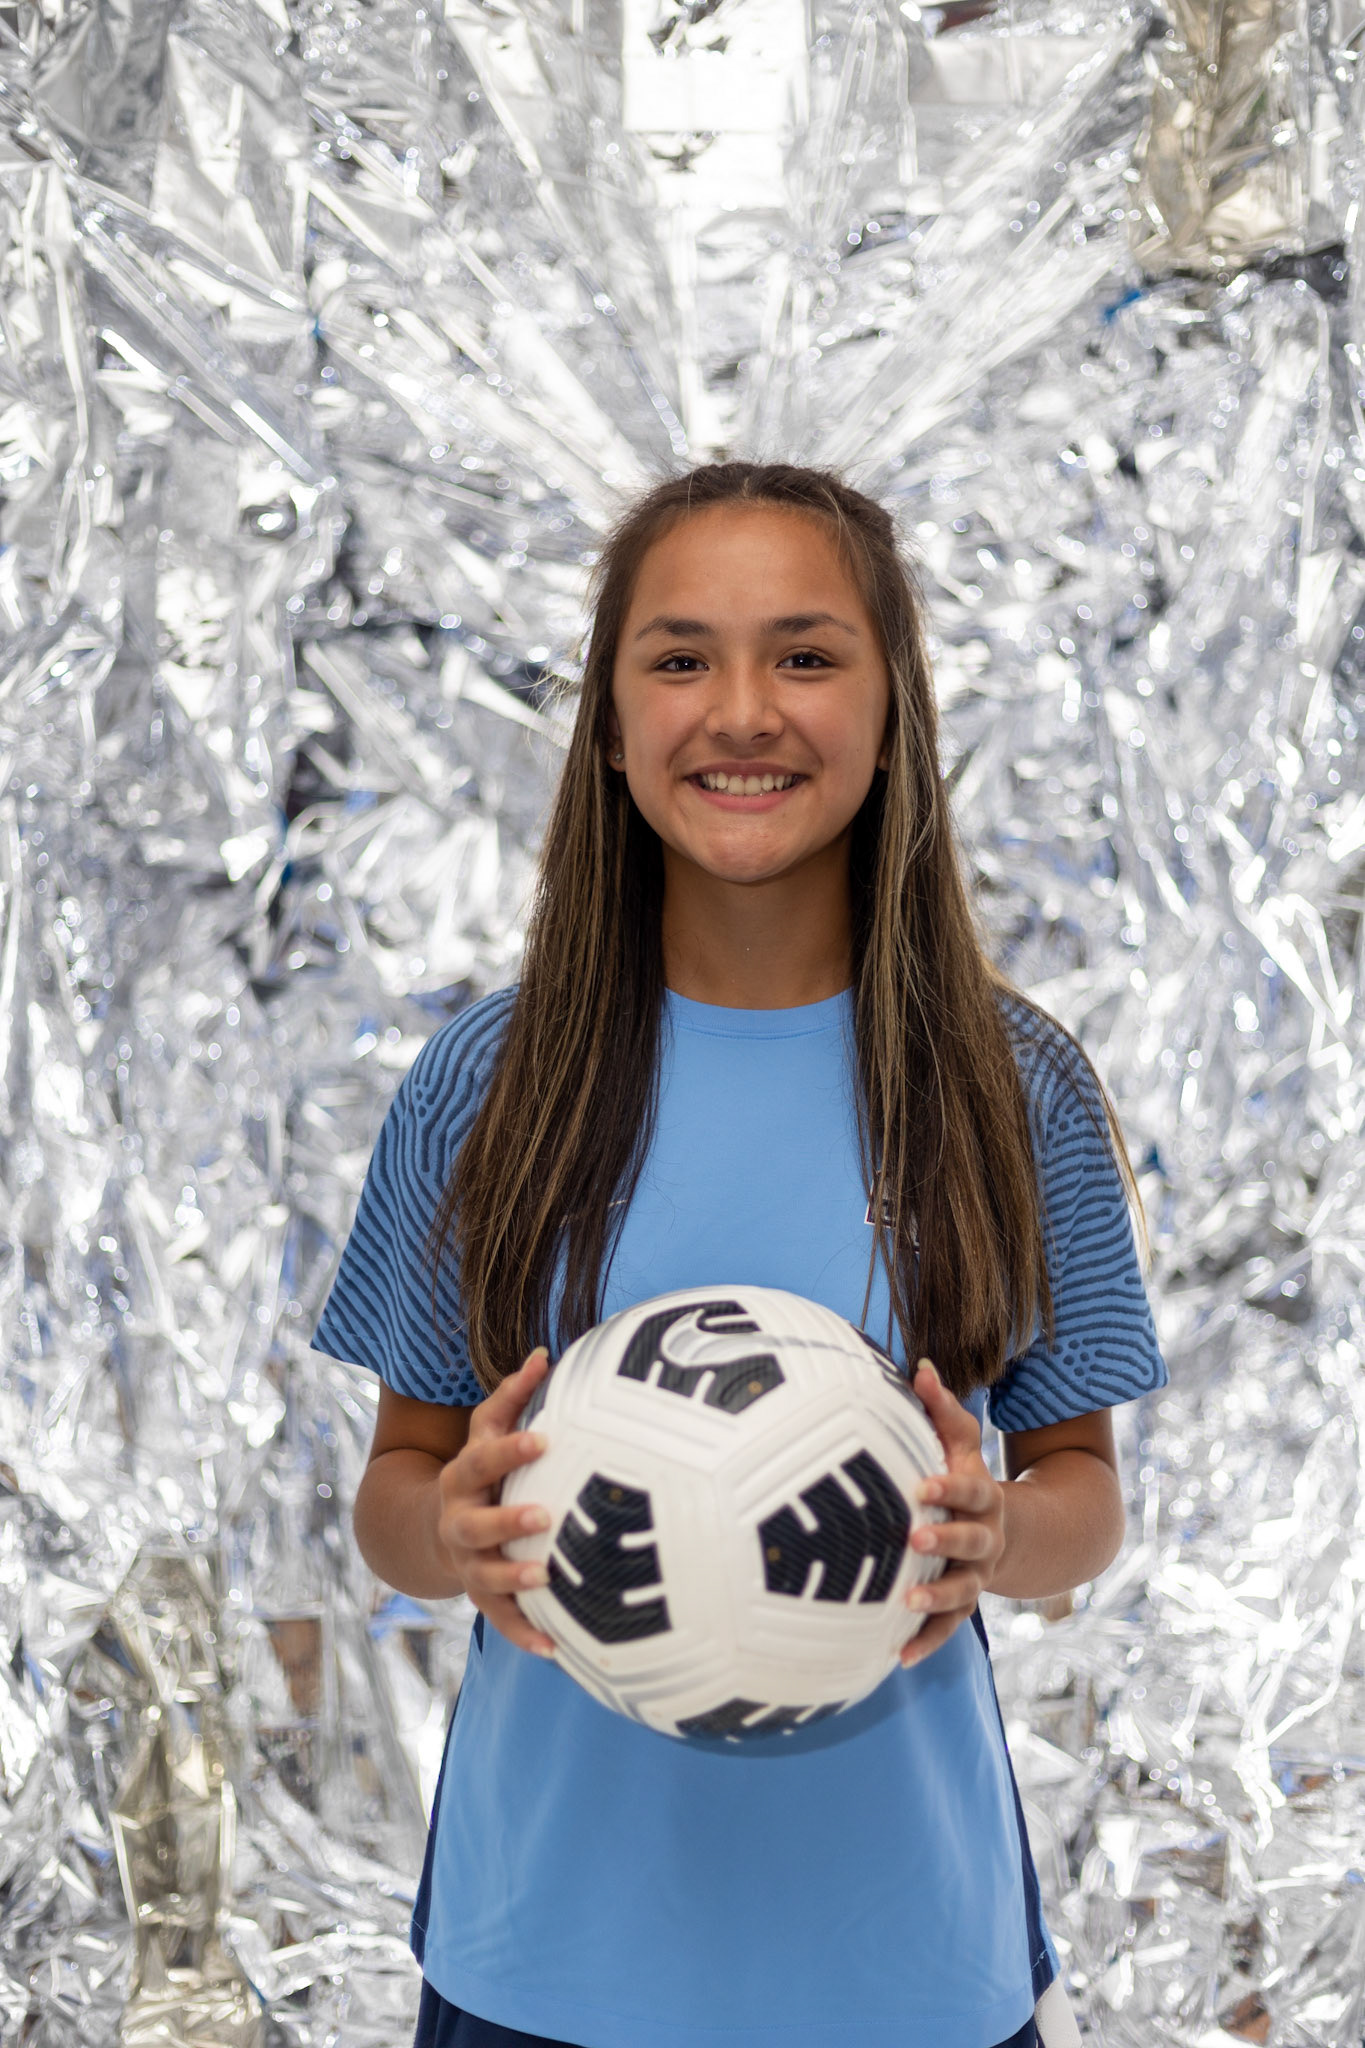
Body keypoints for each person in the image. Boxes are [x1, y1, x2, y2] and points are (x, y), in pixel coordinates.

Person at [311, 461, 1167, 2048]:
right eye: (681, 656)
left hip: (904, 1968)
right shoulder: (486, 1084)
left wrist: (996, 1535)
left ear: (893, 702)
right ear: (610, 717)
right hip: (543, 1964)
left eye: (806, 653)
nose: (743, 711)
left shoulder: (1011, 1084)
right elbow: (396, 1489)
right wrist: (447, 1526)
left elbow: (1083, 1495)